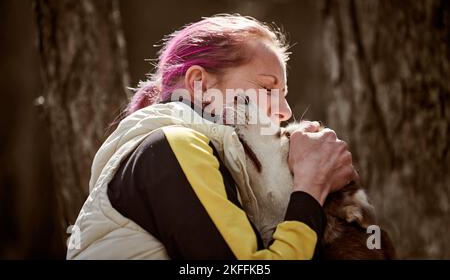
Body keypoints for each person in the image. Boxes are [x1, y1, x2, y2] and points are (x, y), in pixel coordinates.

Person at [66, 14, 357, 259]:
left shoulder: (198, 158)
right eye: (268, 88)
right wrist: (310, 186)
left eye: (284, 95)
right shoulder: (174, 145)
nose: (285, 112)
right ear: (200, 85)